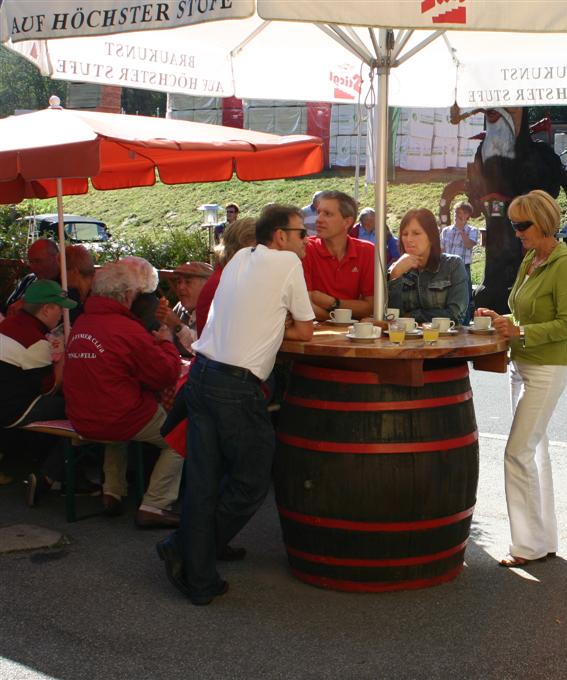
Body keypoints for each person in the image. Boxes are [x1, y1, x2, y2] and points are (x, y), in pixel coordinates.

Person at [157, 203, 314, 606]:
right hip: (235, 387)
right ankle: (188, 551)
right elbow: (307, 330)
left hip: (203, 376)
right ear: (280, 236)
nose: (306, 240)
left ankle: (198, 565)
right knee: (251, 481)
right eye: (301, 233)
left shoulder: (241, 256)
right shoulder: (287, 265)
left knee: (205, 482)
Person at [476, 190, 567, 568]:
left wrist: (521, 332)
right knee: (535, 452)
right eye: (513, 224)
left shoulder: (564, 261)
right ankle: (543, 539)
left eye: (522, 224)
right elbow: (522, 310)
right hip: (522, 366)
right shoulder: (532, 260)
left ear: (544, 221)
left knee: (516, 453)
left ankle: (527, 545)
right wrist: (501, 316)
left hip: (546, 369)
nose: (516, 231)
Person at [63, 257, 186, 528]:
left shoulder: (82, 322)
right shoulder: (127, 329)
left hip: (82, 416)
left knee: (118, 415)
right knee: (180, 436)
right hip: (116, 417)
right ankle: (155, 504)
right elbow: (164, 374)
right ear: (129, 295)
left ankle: (112, 492)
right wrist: (166, 344)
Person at [0, 281, 82, 504]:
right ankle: (49, 476)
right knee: (85, 414)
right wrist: (65, 355)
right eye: (59, 308)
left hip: (6, 402)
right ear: (46, 309)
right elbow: (51, 388)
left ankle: (55, 474)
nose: (62, 314)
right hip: (15, 410)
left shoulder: (8, 325)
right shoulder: (34, 340)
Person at [302, 190, 374, 321]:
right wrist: (344, 318)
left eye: (327, 214)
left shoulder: (367, 250)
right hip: (315, 335)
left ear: (347, 222)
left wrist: (333, 303)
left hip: (354, 335)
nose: (318, 219)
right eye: (318, 212)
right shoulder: (305, 249)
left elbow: (370, 306)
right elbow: (305, 305)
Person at [387, 209, 469, 324]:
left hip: (446, 340)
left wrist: (412, 316)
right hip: (407, 340)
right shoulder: (396, 268)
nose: (408, 239)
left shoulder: (452, 265)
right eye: (405, 234)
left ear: (431, 237)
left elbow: (455, 315)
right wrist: (395, 277)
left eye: (416, 233)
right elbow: (391, 318)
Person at [195, 217, 257, 337]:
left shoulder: (228, 275)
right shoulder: (225, 282)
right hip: (216, 354)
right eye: (256, 250)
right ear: (240, 249)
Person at [158, 261, 214, 358]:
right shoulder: (180, 307)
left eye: (188, 282)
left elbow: (205, 351)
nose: (180, 287)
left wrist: (177, 326)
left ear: (207, 286)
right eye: (179, 282)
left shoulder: (215, 311)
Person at [441, 201, 480, 324]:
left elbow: (469, 244)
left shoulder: (472, 230)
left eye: (461, 213)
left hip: (463, 268)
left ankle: (465, 326)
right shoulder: (446, 231)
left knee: (464, 299)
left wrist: (461, 229)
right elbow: (441, 249)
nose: (457, 215)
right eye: (456, 212)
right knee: (445, 297)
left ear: (467, 216)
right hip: (445, 268)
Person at [3, 239, 61, 315]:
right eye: (31, 262)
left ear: (56, 259)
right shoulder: (29, 280)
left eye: (38, 261)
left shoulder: (66, 285)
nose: (32, 267)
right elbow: (6, 308)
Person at [64, 245, 96, 326]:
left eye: (63, 271)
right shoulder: (70, 295)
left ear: (74, 272)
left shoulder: (100, 295)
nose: (61, 276)